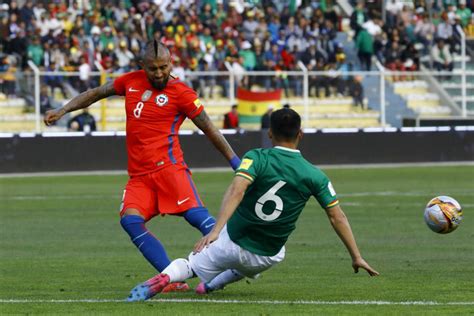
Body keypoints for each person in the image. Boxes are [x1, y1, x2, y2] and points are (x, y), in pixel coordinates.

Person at [44, 40, 241, 293]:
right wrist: (62, 110)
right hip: (139, 176)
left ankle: (235, 261)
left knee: (198, 218)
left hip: (170, 169)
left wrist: (236, 162)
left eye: (163, 67)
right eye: (153, 68)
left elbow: (210, 129)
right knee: (130, 221)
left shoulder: (182, 93)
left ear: (171, 64)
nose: (159, 73)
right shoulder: (130, 81)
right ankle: (171, 278)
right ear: (142, 66)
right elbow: (94, 93)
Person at [127, 108, 379, 302]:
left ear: (270, 133)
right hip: (265, 255)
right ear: (300, 134)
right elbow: (338, 218)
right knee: (263, 260)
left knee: (191, 265)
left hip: (230, 241)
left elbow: (237, 190)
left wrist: (215, 232)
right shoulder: (315, 176)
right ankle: (212, 285)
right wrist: (356, 256)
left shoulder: (256, 157)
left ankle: (166, 277)